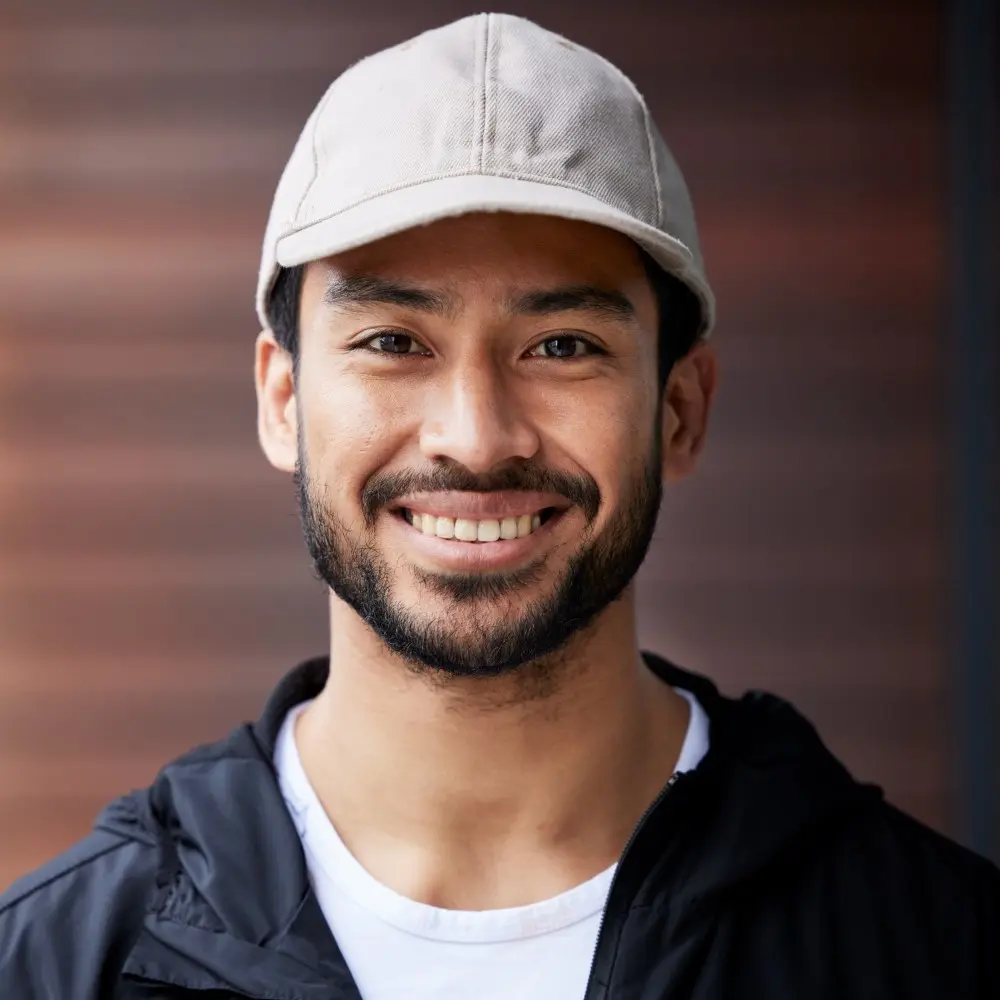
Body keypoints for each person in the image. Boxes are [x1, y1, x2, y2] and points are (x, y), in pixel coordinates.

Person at [1, 12, 996, 999]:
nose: (475, 438)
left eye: (562, 345)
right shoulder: (50, 964)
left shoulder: (936, 947)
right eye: (393, 340)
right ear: (284, 399)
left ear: (680, 410)